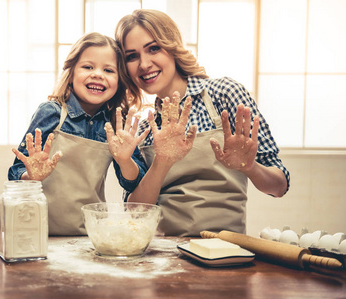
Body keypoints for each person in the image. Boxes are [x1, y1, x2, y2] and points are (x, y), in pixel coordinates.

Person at [113, 9, 290, 236]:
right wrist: (162, 162)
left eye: (153, 48)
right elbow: (136, 212)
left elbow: (279, 187)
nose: (144, 64)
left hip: (226, 253)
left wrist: (250, 167)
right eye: (132, 56)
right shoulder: (144, 129)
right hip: (163, 257)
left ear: (172, 46)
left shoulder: (224, 95)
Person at [8, 32, 149, 235]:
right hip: (37, 231)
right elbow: (15, 174)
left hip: (90, 235)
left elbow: (132, 183)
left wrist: (126, 160)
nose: (98, 74)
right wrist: (31, 176)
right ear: (71, 72)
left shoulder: (115, 124)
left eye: (108, 70)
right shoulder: (51, 112)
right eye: (88, 67)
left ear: (120, 81)